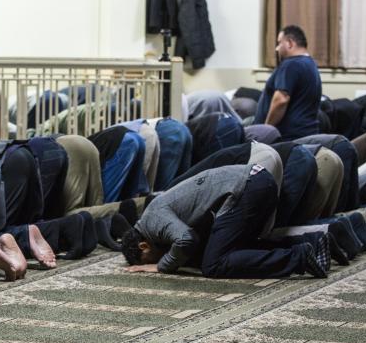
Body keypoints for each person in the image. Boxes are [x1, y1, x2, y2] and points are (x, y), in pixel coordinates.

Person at [120, 164, 329, 279]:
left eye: (148, 259)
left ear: (144, 245)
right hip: (257, 181)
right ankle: (313, 241)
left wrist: (161, 267)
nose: (153, 261)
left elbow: (186, 240)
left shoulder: (153, 220)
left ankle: (300, 257)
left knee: (213, 265)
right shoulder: (153, 217)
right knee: (232, 249)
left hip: (246, 187)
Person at [255, 25, 322, 140]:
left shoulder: (290, 64)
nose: (277, 49)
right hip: (304, 133)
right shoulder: (310, 64)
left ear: (289, 43)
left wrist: (266, 130)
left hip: (286, 137)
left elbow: (281, 99)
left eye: (279, 43)